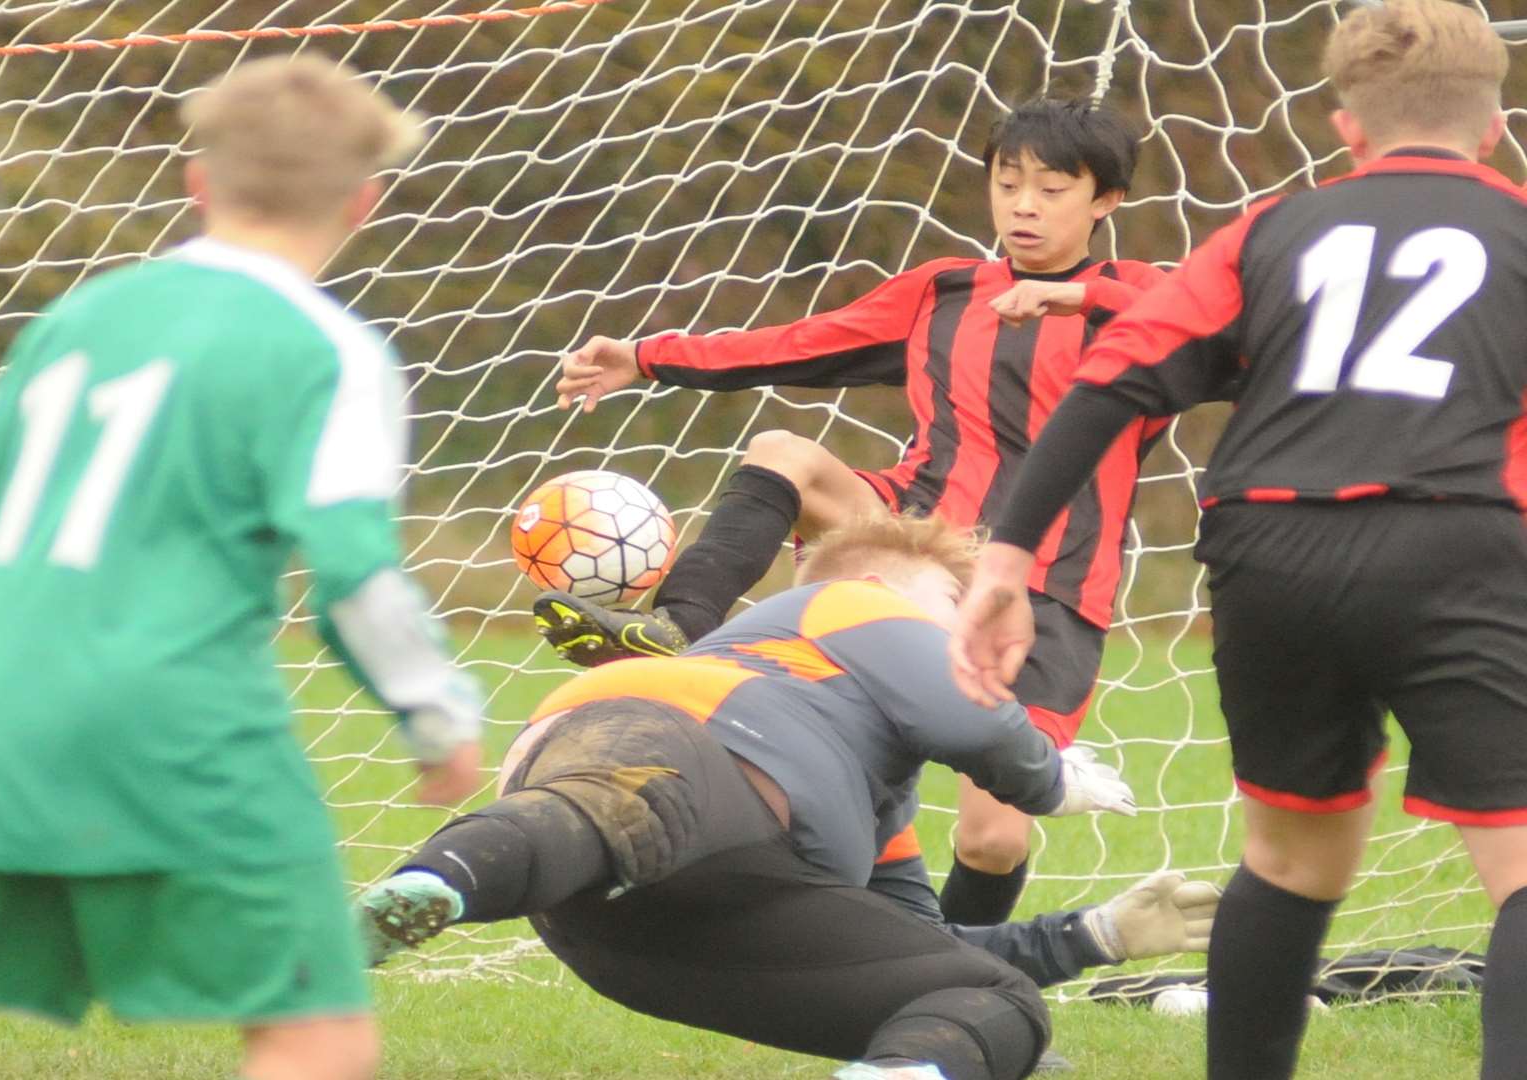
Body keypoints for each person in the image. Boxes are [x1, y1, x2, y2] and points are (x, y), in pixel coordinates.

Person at [0, 57, 483, 1080]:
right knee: (317, 1039)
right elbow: (352, 570)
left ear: (199, 180)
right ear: (363, 198)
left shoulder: (76, 321)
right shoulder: (330, 351)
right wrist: (437, 719)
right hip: (180, 728)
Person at [948, 4, 1527, 1077]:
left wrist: (1001, 559)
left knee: (1296, 859)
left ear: (1346, 128)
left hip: (1267, 556)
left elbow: (1109, 382)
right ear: (1495, 126)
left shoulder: (1270, 230)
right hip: (1455, 544)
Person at [540, 96, 1167, 926]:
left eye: (1052, 189)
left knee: (993, 842)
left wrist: (1072, 301)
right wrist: (647, 357)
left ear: (1105, 202)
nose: (1022, 204)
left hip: (1045, 586)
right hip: (909, 540)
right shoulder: (941, 292)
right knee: (785, 454)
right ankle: (679, 626)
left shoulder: (1148, 300)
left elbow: (1230, 333)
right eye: (1007, 182)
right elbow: (793, 343)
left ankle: (966, 982)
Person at [363, 515, 1217, 1080]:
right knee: (630, 802)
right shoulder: (852, 599)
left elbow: (906, 943)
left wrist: (1091, 936)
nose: (967, 629)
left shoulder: (874, 795)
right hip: (668, 740)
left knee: (993, 1002)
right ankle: (437, 881)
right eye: (954, 605)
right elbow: (977, 725)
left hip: (629, 939)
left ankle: (901, 1073)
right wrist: (1051, 778)